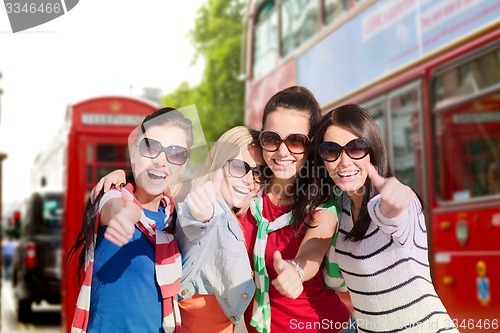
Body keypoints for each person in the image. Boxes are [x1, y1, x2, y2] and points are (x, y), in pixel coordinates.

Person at [299, 104, 459, 332]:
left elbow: (397, 212)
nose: (344, 162)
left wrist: (395, 202)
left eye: (356, 148)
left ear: (373, 150)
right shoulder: (340, 213)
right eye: (332, 151)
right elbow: (336, 280)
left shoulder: (393, 204)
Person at [239, 86, 353, 333]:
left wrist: (297, 270)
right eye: (271, 139)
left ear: (311, 146)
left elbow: (313, 248)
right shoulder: (247, 192)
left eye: (295, 141)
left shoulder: (323, 204)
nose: (282, 152)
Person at [69, 107, 194, 333]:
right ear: (134, 153)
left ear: (183, 165)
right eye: (151, 148)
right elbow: (113, 206)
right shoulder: (113, 196)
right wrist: (128, 213)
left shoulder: (175, 219)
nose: (161, 161)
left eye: (175, 153)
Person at [176, 126, 265, 333]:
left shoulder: (238, 214)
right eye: (238, 167)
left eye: (260, 172)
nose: (249, 180)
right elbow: (198, 222)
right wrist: (201, 210)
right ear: (218, 162)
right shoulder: (213, 209)